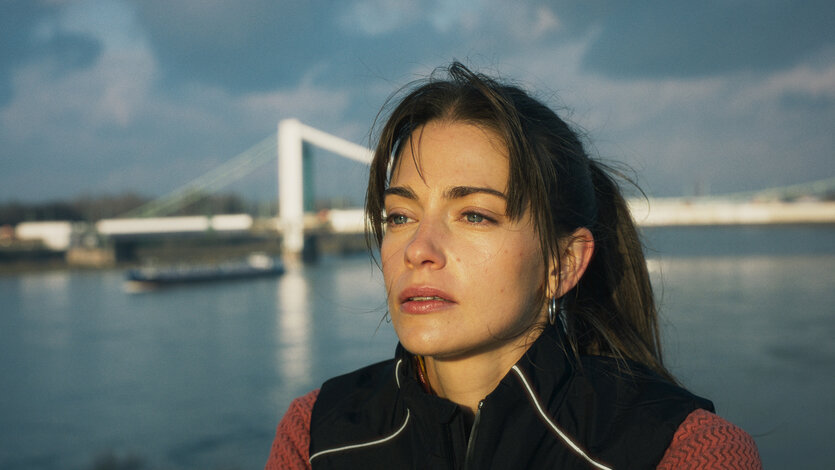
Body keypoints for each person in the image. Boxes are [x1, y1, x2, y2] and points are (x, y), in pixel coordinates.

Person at [266, 62, 762, 469]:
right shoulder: (316, 437)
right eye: (400, 215)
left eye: (475, 215)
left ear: (563, 263)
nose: (418, 248)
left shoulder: (682, 451)